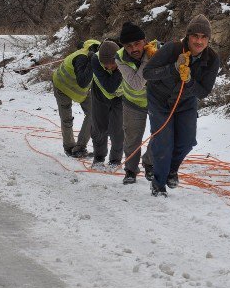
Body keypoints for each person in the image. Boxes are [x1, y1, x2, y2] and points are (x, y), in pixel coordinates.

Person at [143, 14, 220, 197]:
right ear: (188, 36)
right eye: (195, 36)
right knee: (163, 142)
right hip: (159, 100)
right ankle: (158, 184)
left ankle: (172, 169)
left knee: (187, 141)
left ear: (208, 39)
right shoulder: (172, 49)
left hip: (185, 102)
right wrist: (173, 69)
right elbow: (147, 73)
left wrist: (190, 80)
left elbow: (204, 91)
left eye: (203, 37)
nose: (199, 41)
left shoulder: (212, 59)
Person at [114, 22, 157, 184]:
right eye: (128, 46)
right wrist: (148, 59)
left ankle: (150, 163)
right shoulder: (119, 58)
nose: (134, 49)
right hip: (133, 102)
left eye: (137, 43)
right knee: (132, 138)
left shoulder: (157, 50)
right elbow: (137, 84)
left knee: (159, 134)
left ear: (145, 41)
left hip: (156, 101)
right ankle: (131, 170)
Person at [52, 39, 100, 158]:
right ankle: (69, 147)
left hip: (80, 92)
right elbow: (83, 81)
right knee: (67, 119)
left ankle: (80, 147)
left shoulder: (98, 58)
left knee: (93, 113)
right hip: (62, 86)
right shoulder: (81, 58)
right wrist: (92, 62)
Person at [90, 40, 124, 170]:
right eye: (106, 66)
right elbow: (109, 87)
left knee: (118, 130)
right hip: (99, 95)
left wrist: (120, 66)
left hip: (120, 98)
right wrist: (119, 70)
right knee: (99, 128)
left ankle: (115, 160)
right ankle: (98, 158)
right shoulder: (95, 59)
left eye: (113, 65)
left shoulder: (124, 58)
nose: (109, 68)